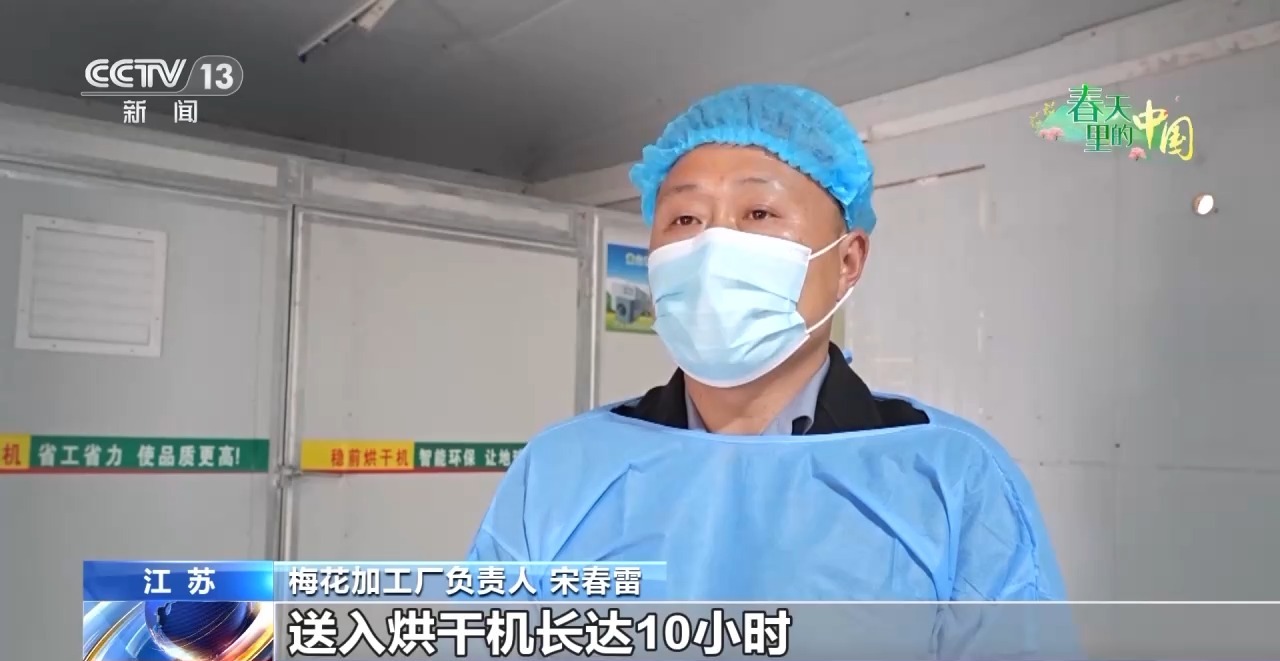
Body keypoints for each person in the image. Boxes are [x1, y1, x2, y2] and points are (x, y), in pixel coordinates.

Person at [469, 85, 1067, 608]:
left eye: (758, 212)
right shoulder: (563, 467)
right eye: (684, 220)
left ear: (848, 261)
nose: (713, 246)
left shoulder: (949, 475)